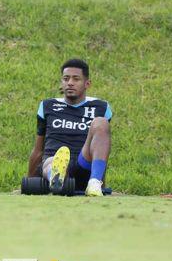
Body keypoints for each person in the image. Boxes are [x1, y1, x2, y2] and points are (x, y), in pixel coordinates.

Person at [27, 59, 112, 197]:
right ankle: (56, 178)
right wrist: (29, 184)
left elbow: (101, 149)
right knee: (51, 162)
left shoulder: (101, 107)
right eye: (66, 79)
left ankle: (94, 183)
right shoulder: (47, 106)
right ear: (62, 82)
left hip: (83, 163)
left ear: (87, 84)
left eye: (76, 79)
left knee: (101, 123)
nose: (70, 82)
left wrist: (102, 184)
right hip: (53, 159)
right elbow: (38, 149)